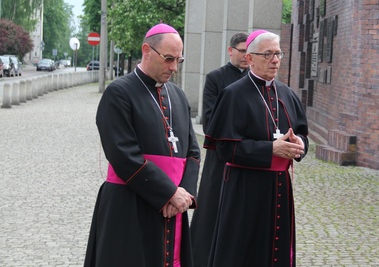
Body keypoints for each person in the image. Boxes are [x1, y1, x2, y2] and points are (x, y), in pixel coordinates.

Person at [84, 23, 200, 267]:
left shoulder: (177, 95)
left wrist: (184, 195)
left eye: (179, 60)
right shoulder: (119, 93)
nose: (174, 67)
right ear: (146, 50)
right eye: (168, 59)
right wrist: (168, 192)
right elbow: (124, 155)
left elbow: (192, 151)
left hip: (174, 204)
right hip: (130, 204)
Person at [204, 30, 309, 267]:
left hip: (280, 186)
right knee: (244, 251)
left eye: (278, 54)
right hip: (244, 188)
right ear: (250, 58)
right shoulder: (233, 94)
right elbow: (224, 149)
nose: (275, 60)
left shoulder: (288, 94)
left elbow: (302, 133)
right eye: (268, 54)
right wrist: (269, 149)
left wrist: (301, 144)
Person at [190, 32, 249, 267]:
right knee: (213, 210)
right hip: (220, 156)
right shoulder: (216, 78)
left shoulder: (256, 80)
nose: (246, 56)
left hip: (247, 158)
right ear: (230, 50)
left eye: (249, 51)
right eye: (242, 50)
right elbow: (210, 120)